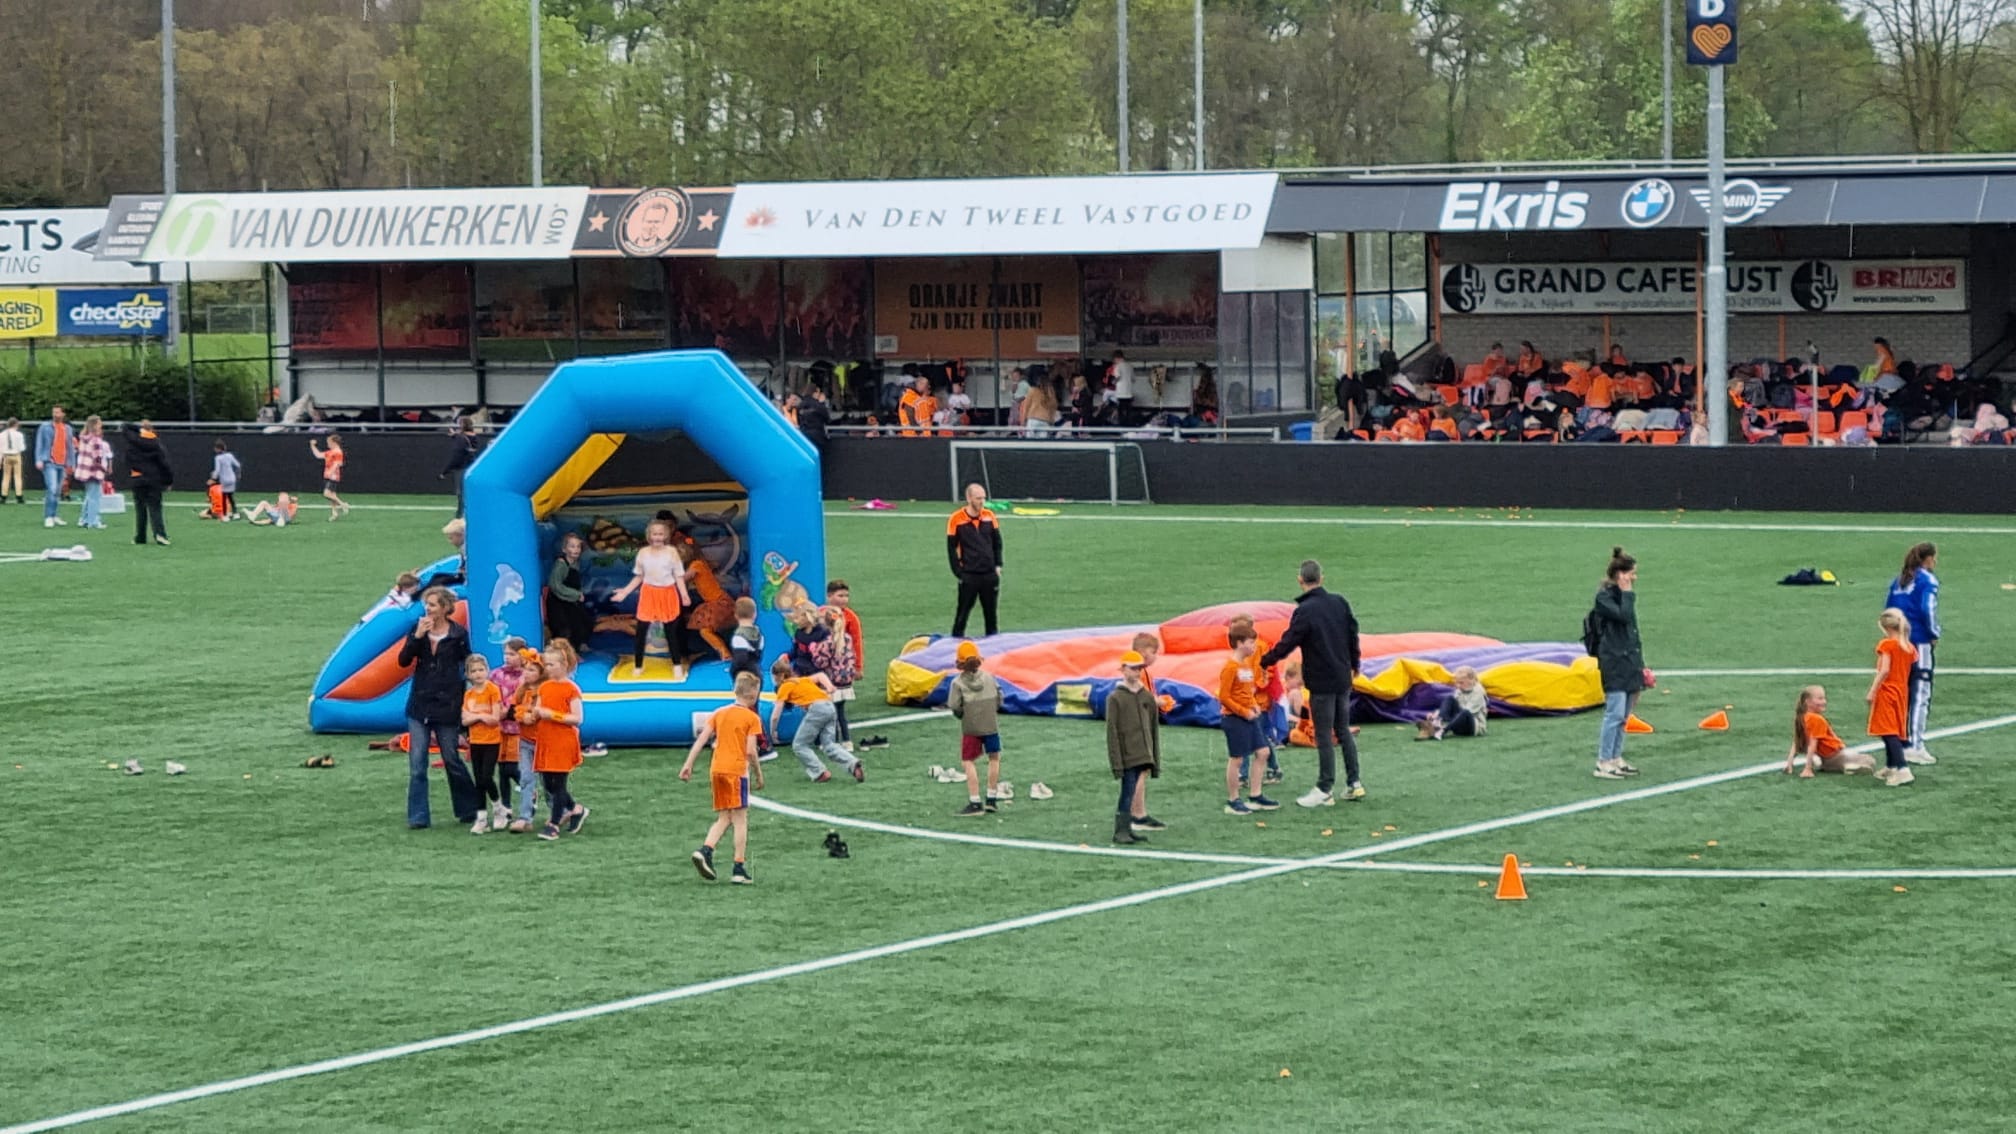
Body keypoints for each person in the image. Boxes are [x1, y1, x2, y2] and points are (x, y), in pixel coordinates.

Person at [1260, 560, 1365, 806]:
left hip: (1321, 680)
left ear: (1300, 580)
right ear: (1322, 578)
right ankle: (1354, 782)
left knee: (1323, 733)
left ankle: (1324, 787)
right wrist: (1355, 664)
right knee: (1342, 729)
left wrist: (1265, 660)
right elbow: (1353, 635)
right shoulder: (1339, 603)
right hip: (1342, 676)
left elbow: (1289, 641)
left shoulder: (1305, 611)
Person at [397, 586, 481, 829]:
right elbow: (403, 660)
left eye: (433, 604)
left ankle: (469, 808)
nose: (428, 609)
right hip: (420, 704)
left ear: (445, 608)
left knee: (452, 759)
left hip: (447, 704)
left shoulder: (457, 634)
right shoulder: (418, 630)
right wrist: (417, 638)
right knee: (417, 764)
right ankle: (418, 816)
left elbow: (468, 664)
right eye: (427, 604)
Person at [682, 671, 766, 884]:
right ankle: (738, 867)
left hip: (717, 770)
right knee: (740, 818)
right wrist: (758, 773)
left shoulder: (720, 712)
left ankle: (706, 850)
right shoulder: (751, 718)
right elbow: (750, 751)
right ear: (754, 694)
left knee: (724, 817)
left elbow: (702, 739)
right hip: (736, 771)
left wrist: (688, 764)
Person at [1590, 547, 1646, 780]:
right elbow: (1623, 616)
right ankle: (1603, 762)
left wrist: (1641, 666)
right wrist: (1627, 592)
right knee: (1614, 713)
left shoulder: (1622, 596)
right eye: (1631, 573)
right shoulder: (1604, 598)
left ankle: (1616, 758)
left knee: (1624, 714)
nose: (1634, 577)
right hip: (1614, 662)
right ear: (1620, 574)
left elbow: (1632, 632)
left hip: (1630, 660)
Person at [609, 519, 691, 677]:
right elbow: (639, 576)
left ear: (666, 535)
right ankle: (638, 665)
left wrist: (684, 595)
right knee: (641, 630)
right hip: (649, 593)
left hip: (667, 592)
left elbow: (678, 576)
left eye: (661, 534)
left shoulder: (671, 552)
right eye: (655, 534)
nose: (658, 537)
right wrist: (624, 592)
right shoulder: (643, 553)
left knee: (670, 632)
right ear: (649, 535)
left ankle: (676, 664)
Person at [1885, 541, 1941, 764]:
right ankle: (1915, 745)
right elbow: (1927, 609)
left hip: (1897, 642)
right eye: (1934, 558)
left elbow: (1888, 611)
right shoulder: (1927, 580)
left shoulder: (1897, 581)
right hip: (1919, 643)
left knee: (1900, 693)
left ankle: (1900, 741)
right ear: (1927, 559)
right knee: (1920, 693)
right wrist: (1933, 632)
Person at [767, 658, 862, 782]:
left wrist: (772, 732)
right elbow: (820, 676)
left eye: (774, 677)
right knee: (829, 744)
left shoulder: (785, 686)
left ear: (781, 675)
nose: (774, 680)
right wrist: (829, 686)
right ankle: (852, 763)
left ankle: (819, 772)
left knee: (799, 745)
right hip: (829, 706)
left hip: (817, 709)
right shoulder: (802, 680)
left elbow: (776, 714)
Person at [1219, 624, 1280, 815]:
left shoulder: (1245, 666)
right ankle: (1233, 799)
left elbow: (1248, 690)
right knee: (1237, 758)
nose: (1254, 646)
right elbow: (1224, 696)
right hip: (1235, 718)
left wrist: (1254, 704)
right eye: (1251, 642)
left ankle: (1256, 795)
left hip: (1250, 715)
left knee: (1262, 752)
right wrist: (1243, 711)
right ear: (1239, 643)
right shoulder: (1230, 667)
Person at [530, 640, 589, 839]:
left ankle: (554, 824)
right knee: (548, 783)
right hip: (546, 738)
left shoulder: (571, 689)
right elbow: (538, 709)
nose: (547, 668)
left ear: (564, 665)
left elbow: (577, 718)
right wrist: (532, 715)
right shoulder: (544, 687)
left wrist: (552, 715)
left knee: (559, 782)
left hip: (563, 739)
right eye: (546, 665)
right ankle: (575, 808)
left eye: (551, 665)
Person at [1106, 650, 1161, 845]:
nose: (1137, 672)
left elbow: (1153, 726)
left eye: (1139, 669)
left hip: (1142, 752)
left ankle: (1127, 828)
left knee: (1131, 789)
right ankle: (1121, 829)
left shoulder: (1145, 695)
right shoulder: (1115, 698)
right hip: (1127, 753)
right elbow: (1112, 731)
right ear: (1123, 670)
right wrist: (1116, 760)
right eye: (1133, 668)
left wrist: (1153, 754)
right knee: (1127, 790)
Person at [946, 641, 1005, 816]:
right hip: (991, 724)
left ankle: (975, 801)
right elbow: (1000, 698)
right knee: (994, 758)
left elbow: (954, 705)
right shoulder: (989, 678)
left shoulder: (957, 683)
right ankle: (992, 799)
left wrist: (963, 714)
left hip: (971, 726)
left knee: (968, 760)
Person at [461, 655, 510, 834]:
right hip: (475, 740)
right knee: (478, 780)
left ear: (487, 671)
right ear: (468, 674)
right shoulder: (469, 694)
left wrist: (478, 717)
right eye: (474, 671)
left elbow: (494, 719)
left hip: (491, 740)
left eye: (481, 669)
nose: (478, 674)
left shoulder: (492, 690)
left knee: (486, 776)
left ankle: (499, 809)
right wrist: (480, 717)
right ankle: (481, 818)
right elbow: (465, 720)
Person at [1869, 609, 1918, 787]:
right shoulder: (1909, 648)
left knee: (1889, 732)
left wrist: (1873, 690)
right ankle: (1891, 765)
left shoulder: (1887, 645)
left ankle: (1903, 769)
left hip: (1887, 691)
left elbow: (1885, 670)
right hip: (1901, 692)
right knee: (1891, 729)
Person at [947, 482, 1002, 638]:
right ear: (969, 498)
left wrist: (998, 565)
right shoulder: (956, 519)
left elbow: (997, 543)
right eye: (978, 498)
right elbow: (951, 548)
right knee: (962, 614)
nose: (982, 502)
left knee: (991, 616)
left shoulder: (989, 516)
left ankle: (992, 650)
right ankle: (955, 647)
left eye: (983, 498)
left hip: (989, 574)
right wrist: (959, 572)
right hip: (969, 575)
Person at [493, 640, 536, 832]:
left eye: (512, 654)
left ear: (522, 655)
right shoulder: (496, 674)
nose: (507, 657)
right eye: (506, 653)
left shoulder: (525, 677)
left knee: (513, 767)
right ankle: (506, 806)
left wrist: (508, 710)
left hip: (517, 729)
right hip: (500, 728)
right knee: (502, 769)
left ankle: (529, 793)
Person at [1785, 686, 1874, 778]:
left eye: (1824, 698)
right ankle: (1847, 766)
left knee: (1855, 757)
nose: (1824, 702)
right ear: (1808, 702)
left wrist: (1789, 762)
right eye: (1820, 699)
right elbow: (1812, 743)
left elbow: (1797, 742)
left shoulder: (1801, 718)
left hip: (1825, 759)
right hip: (1835, 756)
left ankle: (1827, 764)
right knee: (1869, 760)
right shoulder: (1816, 719)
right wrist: (1808, 768)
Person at [825, 579, 864, 746]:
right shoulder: (823, 614)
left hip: (841, 672)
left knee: (838, 707)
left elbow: (857, 643)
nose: (844, 599)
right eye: (840, 595)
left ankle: (844, 739)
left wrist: (858, 667)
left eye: (846, 596)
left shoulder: (851, 618)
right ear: (829, 596)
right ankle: (832, 739)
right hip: (827, 670)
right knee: (829, 706)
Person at [122, 420, 173, 547]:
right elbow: (164, 464)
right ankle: (160, 534)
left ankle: (140, 536)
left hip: (138, 478)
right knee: (155, 508)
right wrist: (168, 480)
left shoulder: (132, 444)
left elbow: (124, 426)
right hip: (154, 479)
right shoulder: (156, 444)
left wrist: (137, 429)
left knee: (140, 509)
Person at [546, 532, 594, 653]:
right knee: (565, 626)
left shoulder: (575, 563)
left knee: (584, 621)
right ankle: (564, 652)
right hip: (558, 602)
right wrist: (576, 594)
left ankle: (579, 645)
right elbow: (555, 585)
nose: (576, 549)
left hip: (570, 600)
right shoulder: (561, 564)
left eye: (578, 547)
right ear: (564, 549)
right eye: (572, 546)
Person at [1417, 666, 1488, 741]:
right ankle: (1436, 723)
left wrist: (1448, 723)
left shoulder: (1478, 692)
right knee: (1450, 699)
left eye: (1461, 683)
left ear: (1471, 680)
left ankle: (1442, 731)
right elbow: (1451, 706)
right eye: (1457, 683)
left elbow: (1467, 712)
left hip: (1473, 727)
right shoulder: (1460, 690)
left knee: (1465, 712)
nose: (1458, 686)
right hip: (1458, 724)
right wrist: (1436, 714)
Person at [71, 416, 113, 531]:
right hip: (94, 472)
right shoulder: (96, 441)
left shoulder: (83, 439)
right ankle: (93, 521)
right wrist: (103, 471)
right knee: (95, 497)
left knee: (89, 496)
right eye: (99, 424)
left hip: (84, 472)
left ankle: (84, 520)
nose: (101, 426)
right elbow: (98, 459)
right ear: (95, 425)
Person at [34, 406, 73, 528]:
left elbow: (70, 447)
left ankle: (54, 515)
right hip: (49, 461)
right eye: (54, 412)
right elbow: (39, 443)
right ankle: (48, 516)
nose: (55, 414)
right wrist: (39, 459)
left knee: (57, 490)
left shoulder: (67, 429)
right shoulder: (45, 427)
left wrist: (71, 463)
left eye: (57, 412)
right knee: (51, 488)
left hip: (62, 462)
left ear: (63, 414)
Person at [440, 417, 480, 518]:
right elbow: (467, 443)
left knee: (461, 494)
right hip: (471, 466)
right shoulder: (473, 437)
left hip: (461, 467)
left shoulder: (460, 438)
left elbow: (457, 455)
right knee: (468, 492)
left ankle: (461, 515)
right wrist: (456, 435)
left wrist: (445, 471)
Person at [309, 435, 350, 521]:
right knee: (332, 495)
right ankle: (334, 514)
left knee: (326, 494)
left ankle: (343, 504)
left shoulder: (338, 452)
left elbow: (338, 463)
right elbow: (318, 455)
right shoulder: (330, 452)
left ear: (334, 442)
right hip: (328, 475)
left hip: (333, 476)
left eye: (329, 442)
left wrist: (330, 472)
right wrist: (312, 445)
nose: (327, 444)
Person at [728, 597, 763, 680]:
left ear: (736, 615)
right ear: (755, 615)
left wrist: (732, 670)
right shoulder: (760, 635)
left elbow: (740, 659)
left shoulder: (738, 637)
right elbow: (758, 656)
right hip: (757, 673)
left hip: (743, 676)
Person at [211, 440, 242, 519]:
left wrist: (213, 478)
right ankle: (235, 513)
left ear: (218, 449)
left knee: (224, 497)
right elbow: (238, 465)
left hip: (224, 479)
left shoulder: (218, 458)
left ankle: (225, 516)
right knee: (231, 497)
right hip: (232, 478)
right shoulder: (229, 455)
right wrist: (238, 474)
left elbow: (217, 470)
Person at [0, 416, 23, 504]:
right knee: (17, 476)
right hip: (16, 455)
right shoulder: (19, 434)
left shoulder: (2, 434)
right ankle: (19, 496)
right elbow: (22, 447)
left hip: (6, 456)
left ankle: (3, 496)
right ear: (15, 424)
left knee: (6, 477)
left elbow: (0, 448)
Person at [1110, 350, 1135, 425]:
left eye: (1114, 359)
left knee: (1120, 411)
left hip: (1121, 393)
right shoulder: (1130, 366)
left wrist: (1113, 382)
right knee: (1128, 411)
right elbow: (1133, 379)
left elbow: (1117, 377)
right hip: (1129, 392)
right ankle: (1129, 425)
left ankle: (1121, 426)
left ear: (1116, 358)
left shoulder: (1117, 366)